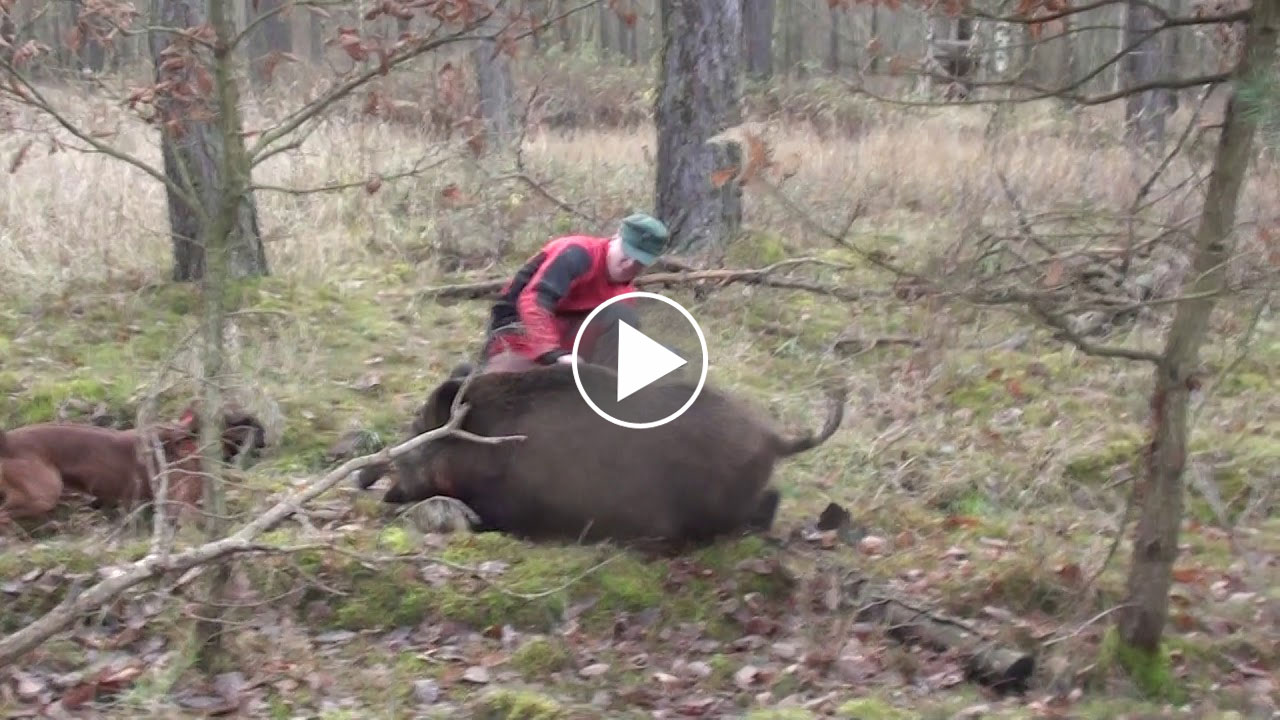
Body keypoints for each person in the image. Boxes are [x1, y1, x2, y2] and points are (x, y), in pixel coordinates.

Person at [478, 212, 671, 374]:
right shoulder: (577, 254)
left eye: (638, 263)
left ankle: (604, 395)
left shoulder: (625, 296)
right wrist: (554, 354)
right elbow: (534, 301)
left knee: (624, 319)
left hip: (569, 345)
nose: (629, 265)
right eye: (626, 255)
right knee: (508, 388)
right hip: (518, 333)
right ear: (616, 238)